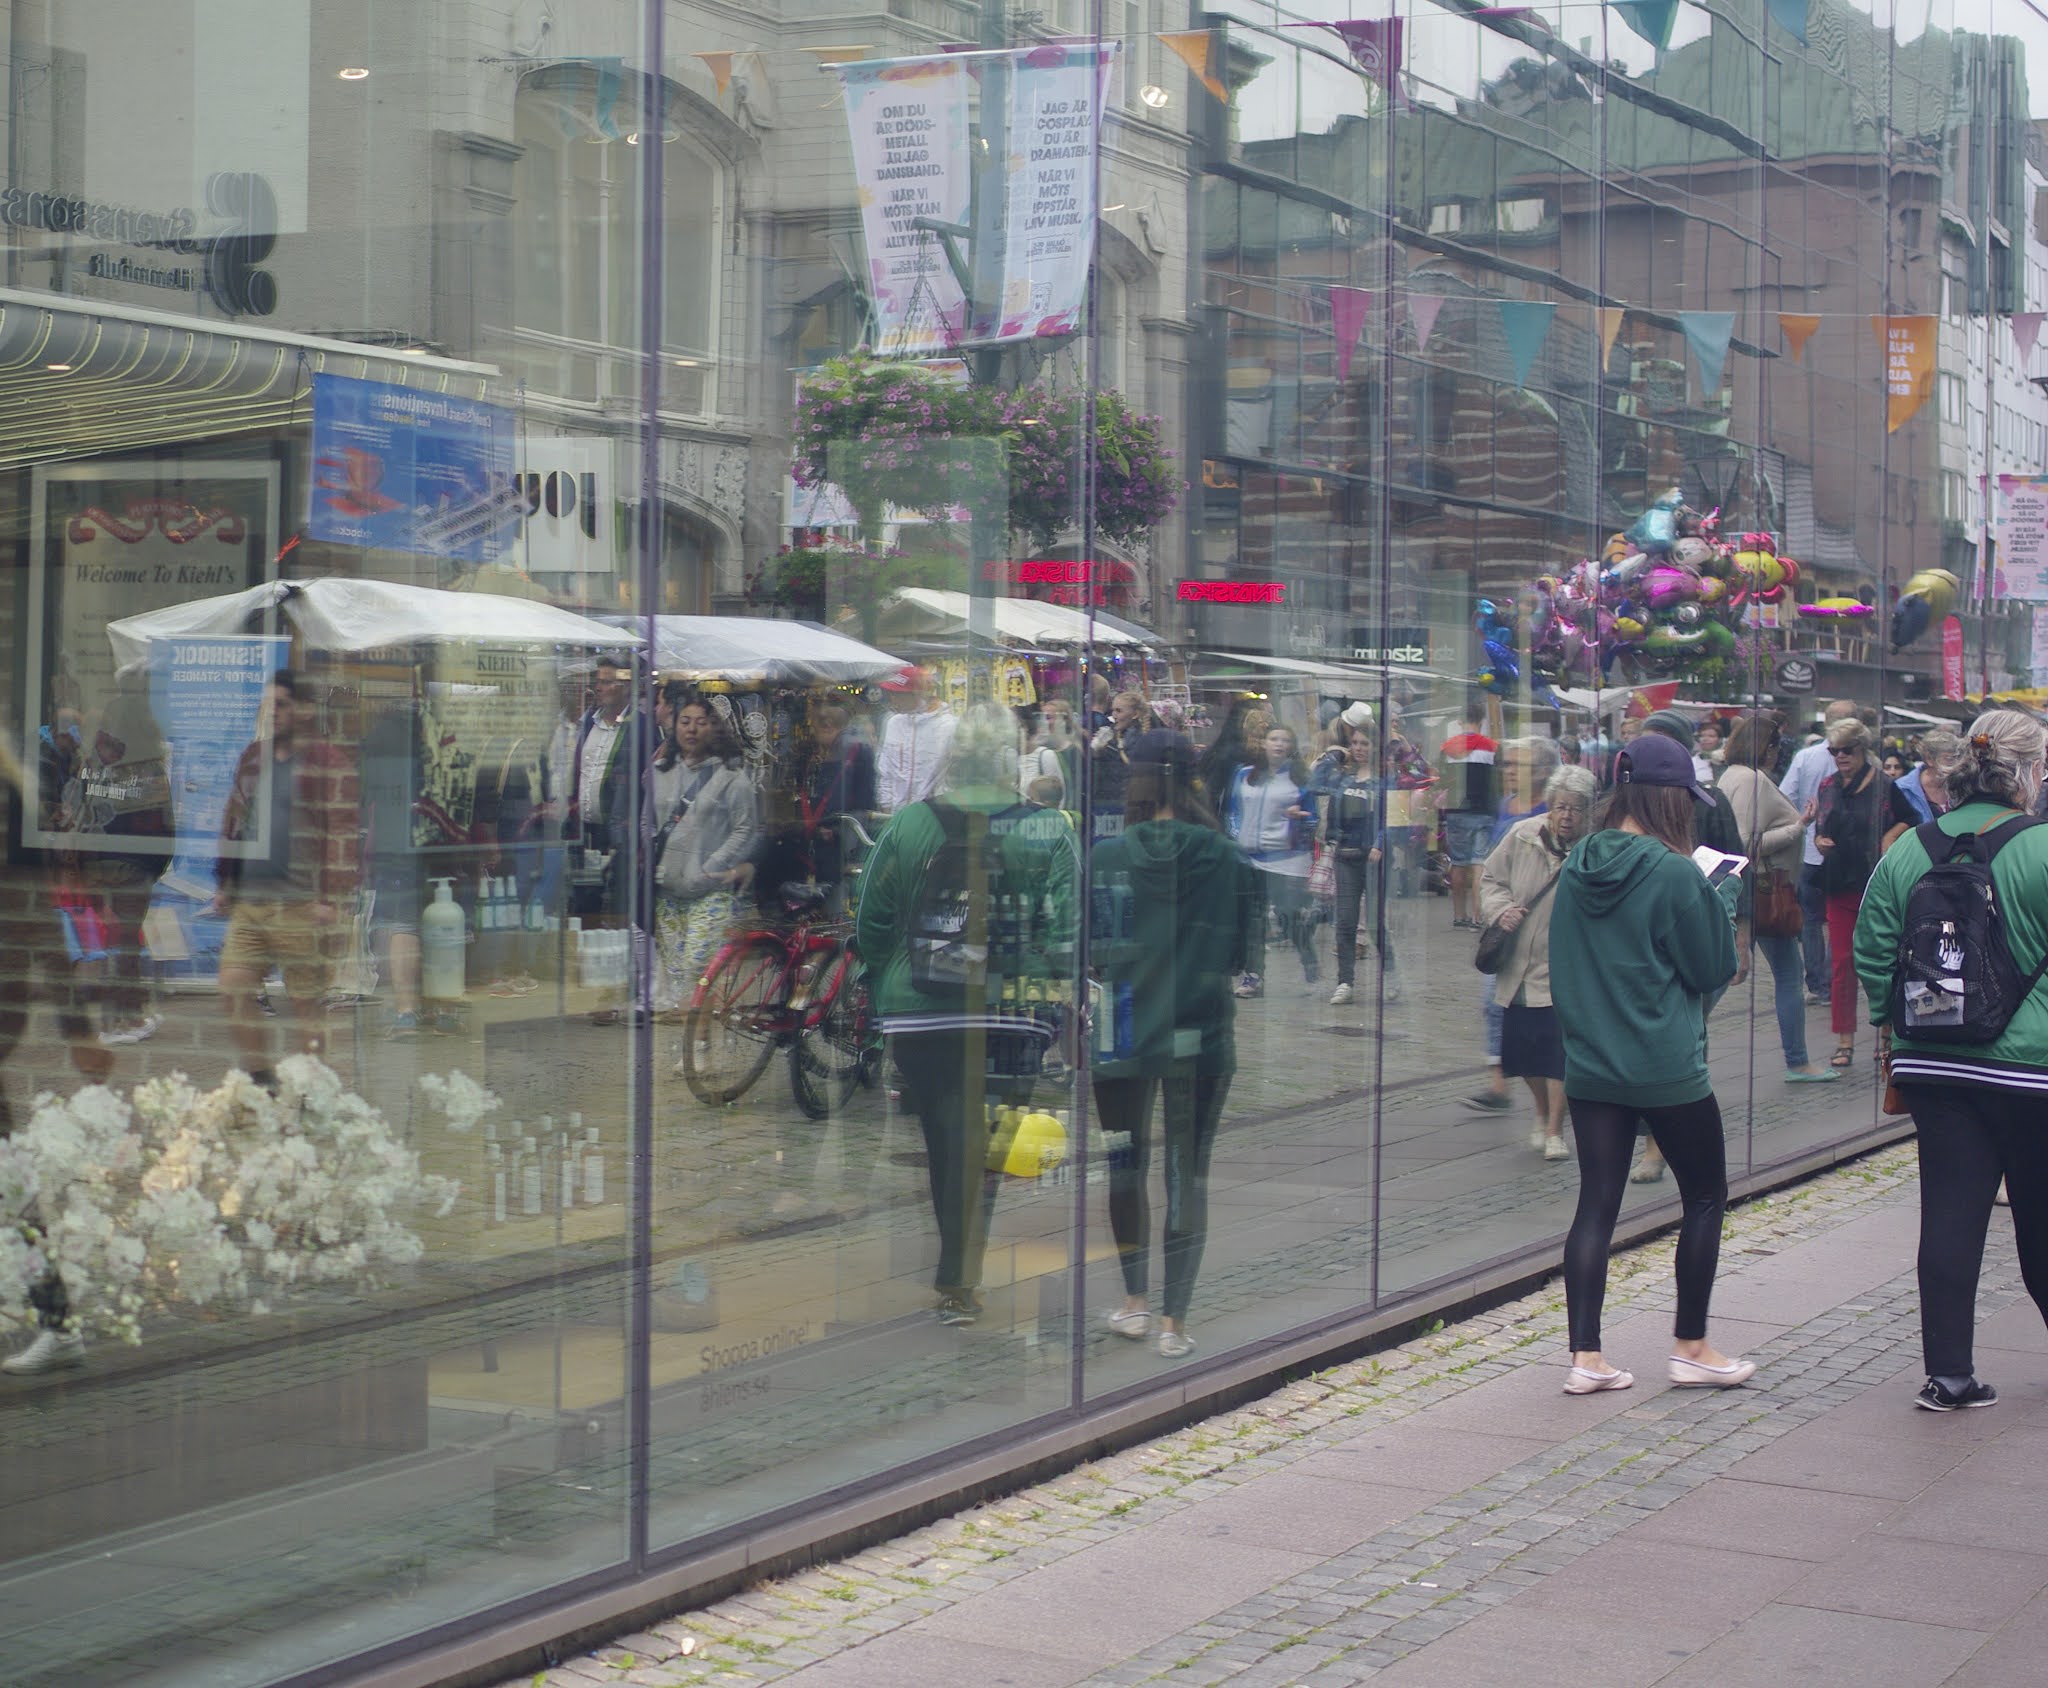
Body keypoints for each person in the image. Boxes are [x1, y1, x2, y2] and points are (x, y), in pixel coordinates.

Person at [855, 705, 1076, 1327]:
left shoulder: (909, 823)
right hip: (1010, 1010)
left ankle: (957, 1275)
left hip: (921, 1012)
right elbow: (1066, 926)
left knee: (944, 1140)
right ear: (1012, 758)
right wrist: (1053, 988)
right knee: (987, 1147)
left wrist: (889, 975)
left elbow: (871, 916)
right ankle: (960, 1274)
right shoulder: (1049, 828)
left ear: (954, 758)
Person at [1854, 709, 2048, 1411]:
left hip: (1933, 1065)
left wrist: (1901, 1020)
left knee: (1950, 1214)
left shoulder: (1910, 850)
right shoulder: (2042, 848)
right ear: (2028, 773)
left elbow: (1872, 950)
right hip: (2031, 1068)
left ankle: (1950, 1376)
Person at [1547, 732, 1751, 1395]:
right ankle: (1692, 1347)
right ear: (1671, 800)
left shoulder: (1578, 864)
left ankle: (1585, 1359)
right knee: (1705, 1197)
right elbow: (1713, 967)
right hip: (1665, 1065)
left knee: (1596, 1205)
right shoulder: (1674, 873)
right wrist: (1720, 895)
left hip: (1592, 1065)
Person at [1093, 740, 1258, 1360]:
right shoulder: (1229, 859)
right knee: (1188, 1172)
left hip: (1121, 1026)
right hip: (1200, 1030)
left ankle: (1134, 1302)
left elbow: (1095, 950)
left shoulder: (1108, 856)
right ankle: (1174, 1322)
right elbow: (1241, 956)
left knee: (1123, 1163)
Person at [212, 671, 358, 1087]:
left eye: (282, 704)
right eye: (269, 704)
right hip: (251, 903)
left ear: (305, 710)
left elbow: (343, 832)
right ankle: (264, 1083)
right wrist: (225, 881)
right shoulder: (254, 756)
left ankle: (313, 1092)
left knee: (306, 1006)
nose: (273, 712)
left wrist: (330, 898)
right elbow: (235, 817)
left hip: (301, 904)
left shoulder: (328, 762)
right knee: (233, 988)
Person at [1479, 766, 1595, 1160]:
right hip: (1520, 965)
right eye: (1561, 807)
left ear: (1588, 812)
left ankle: (1555, 1129)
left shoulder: (1595, 849)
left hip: (1567, 968)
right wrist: (1501, 911)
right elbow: (1491, 880)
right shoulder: (1522, 834)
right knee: (1524, 1054)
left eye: (1576, 808)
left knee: (1559, 1055)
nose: (1567, 816)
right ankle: (1542, 1110)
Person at [1717, 714, 1835, 1083]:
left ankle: (1798, 1060)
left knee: (1735, 970)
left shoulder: (1732, 775)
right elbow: (1746, 843)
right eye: (1775, 745)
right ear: (1765, 747)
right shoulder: (1750, 780)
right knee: (1783, 974)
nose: (1777, 753)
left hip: (1753, 889)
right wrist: (1798, 827)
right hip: (1764, 890)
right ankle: (1797, 1061)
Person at [1813, 716, 1916, 1069]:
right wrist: (1819, 840)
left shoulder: (1884, 785)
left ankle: (1886, 1032)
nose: (1840, 756)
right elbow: (1822, 827)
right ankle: (1845, 1039)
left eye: (1847, 750)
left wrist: (1890, 836)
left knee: (1883, 959)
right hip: (1838, 882)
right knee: (1842, 963)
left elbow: (1911, 819)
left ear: (1862, 749)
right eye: (1834, 751)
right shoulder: (1828, 785)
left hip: (1875, 884)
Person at [651, 693, 759, 1028]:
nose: (692, 729)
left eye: (701, 722)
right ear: (674, 727)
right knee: (677, 969)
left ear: (714, 729)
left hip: (708, 890)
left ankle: (698, 1040)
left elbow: (746, 828)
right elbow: (645, 821)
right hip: (667, 887)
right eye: (685, 722)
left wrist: (713, 864)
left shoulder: (732, 777)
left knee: (698, 967)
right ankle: (695, 1040)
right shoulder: (658, 772)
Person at [1223, 724, 1318, 996]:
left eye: (1284, 740)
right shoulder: (1243, 774)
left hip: (1286, 858)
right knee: (1254, 918)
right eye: (1273, 739)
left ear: (1291, 746)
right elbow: (1232, 809)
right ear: (1263, 743)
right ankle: (1253, 976)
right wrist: (1235, 837)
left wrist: (1299, 821)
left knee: (1288, 914)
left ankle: (1309, 959)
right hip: (1249, 857)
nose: (1278, 744)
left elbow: (1313, 820)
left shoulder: (1300, 779)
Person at [1781, 698, 1864, 1003]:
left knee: (1812, 920)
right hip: (1845, 857)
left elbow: (1786, 796)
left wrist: (1802, 822)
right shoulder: (1864, 762)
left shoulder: (1806, 757)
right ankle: (1831, 980)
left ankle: (1817, 983)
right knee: (1840, 919)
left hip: (1811, 853)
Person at [1313, 722, 1400, 1007]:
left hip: (1373, 857)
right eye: (1356, 743)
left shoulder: (1386, 779)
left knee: (1374, 924)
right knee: (1346, 922)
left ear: (1375, 747)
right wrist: (1331, 758)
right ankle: (1345, 982)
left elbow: (1392, 816)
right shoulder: (1343, 776)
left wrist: (1379, 842)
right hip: (1345, 854)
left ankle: (1391, 974)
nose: (1359, 748)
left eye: (1365, 743)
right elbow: (1316, 786)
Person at [1437, 703, 1498, 927]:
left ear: (1459, 722)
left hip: (1456, 812)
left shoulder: (1447, 749)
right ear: (1482, 721)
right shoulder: (1492, 748)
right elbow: (1497, 781)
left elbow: (1442, 781)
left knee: (1458, 863)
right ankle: (1477, 916)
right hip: (1483, 812)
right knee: (1479, 864)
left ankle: (1458, 916)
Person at [876, 666, 956, 812]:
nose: (893, 699)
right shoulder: (894, 723)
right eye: (892, 693)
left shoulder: (948, 726)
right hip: (897, 813)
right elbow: (886, 768)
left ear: (918, 694)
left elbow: (954, 774)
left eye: (899, 694)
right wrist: (886, 803)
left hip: (934, 813)